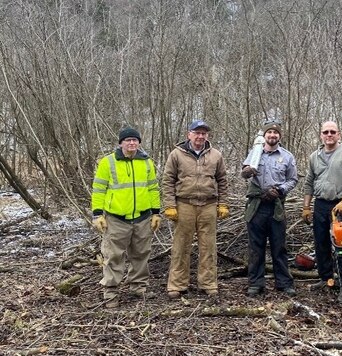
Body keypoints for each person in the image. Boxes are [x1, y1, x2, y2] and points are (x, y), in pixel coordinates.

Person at [91, 127, 161, 308]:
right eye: (128, 140)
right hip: (116, 218)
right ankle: (111, 292)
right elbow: (98, 189)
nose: (132, 143)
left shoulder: (146, 163)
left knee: (141, 254)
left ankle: (138, 288)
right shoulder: (108, 162)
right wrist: (97, 214)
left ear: (139, 143)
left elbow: (153, 188)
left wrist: (156, 212)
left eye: (135, 140)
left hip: (142, 217)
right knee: (113, 255)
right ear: (120, 143)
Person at [162, 119, 229, 299]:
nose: (200, 136)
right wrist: (169, 205)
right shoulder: (177, 154)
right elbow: (168, 180)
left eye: (203, 133)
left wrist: (223, 203)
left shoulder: (216, 155)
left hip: (208, 205)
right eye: (196, 132)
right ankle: (177, 284)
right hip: (184, 204)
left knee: (208, 246)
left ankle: (208, 283)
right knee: (181, 245)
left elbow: (222, 180)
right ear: (189, 134)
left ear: (207, 135)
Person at [302, 121, 342, 304]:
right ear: (321, 135)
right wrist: (306, 207)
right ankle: (326, 277)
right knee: (321, 243)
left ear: (339, 134)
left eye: (332, 132)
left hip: (340, 206)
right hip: (320, 204)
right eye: (325, 132)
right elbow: (309, 182)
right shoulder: (314, 156)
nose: (329, 135)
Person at [241, 119, 298, 296]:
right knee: (255, 246)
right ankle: (256, 283)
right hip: (257, 205)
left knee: (278, 246)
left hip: (276, 206)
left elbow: (293, 180)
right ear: (264, 135)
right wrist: (246, 172)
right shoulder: (255, 152)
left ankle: (284, 283)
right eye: (269, 133)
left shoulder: (287, 156)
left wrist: (280, 190)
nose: (272, 135)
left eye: (275, 133)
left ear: (279, 136)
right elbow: (244, 172)